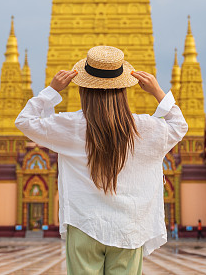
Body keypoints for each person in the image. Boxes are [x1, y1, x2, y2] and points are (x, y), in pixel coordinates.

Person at [16, 45, 188, 274]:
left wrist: (51, 91)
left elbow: (24, 121)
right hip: (128, 229)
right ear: (123, 90)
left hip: (84, 225)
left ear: (83, 90)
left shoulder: (72, 125)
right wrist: (158, 92)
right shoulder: (142, 127)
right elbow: (179, 126)